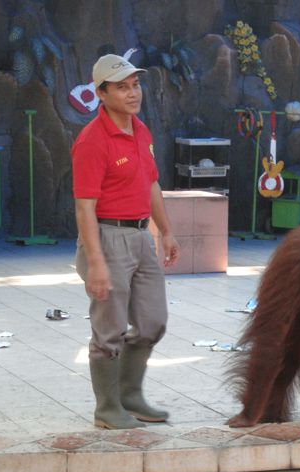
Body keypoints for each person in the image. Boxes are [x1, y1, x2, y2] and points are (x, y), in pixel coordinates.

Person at [72, 54, 180, 429]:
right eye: (122, 87)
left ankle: (130, 396)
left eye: (135, 85)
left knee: (153, 323)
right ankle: (107, 408)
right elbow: (84, 208)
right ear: (101, 94)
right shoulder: (91, 141)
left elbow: (151, 184)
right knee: (109, 330)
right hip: (107, 237)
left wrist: (164, 231)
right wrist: (96, 262)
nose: (133, 93)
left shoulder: (141, 131)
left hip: (139, 235)